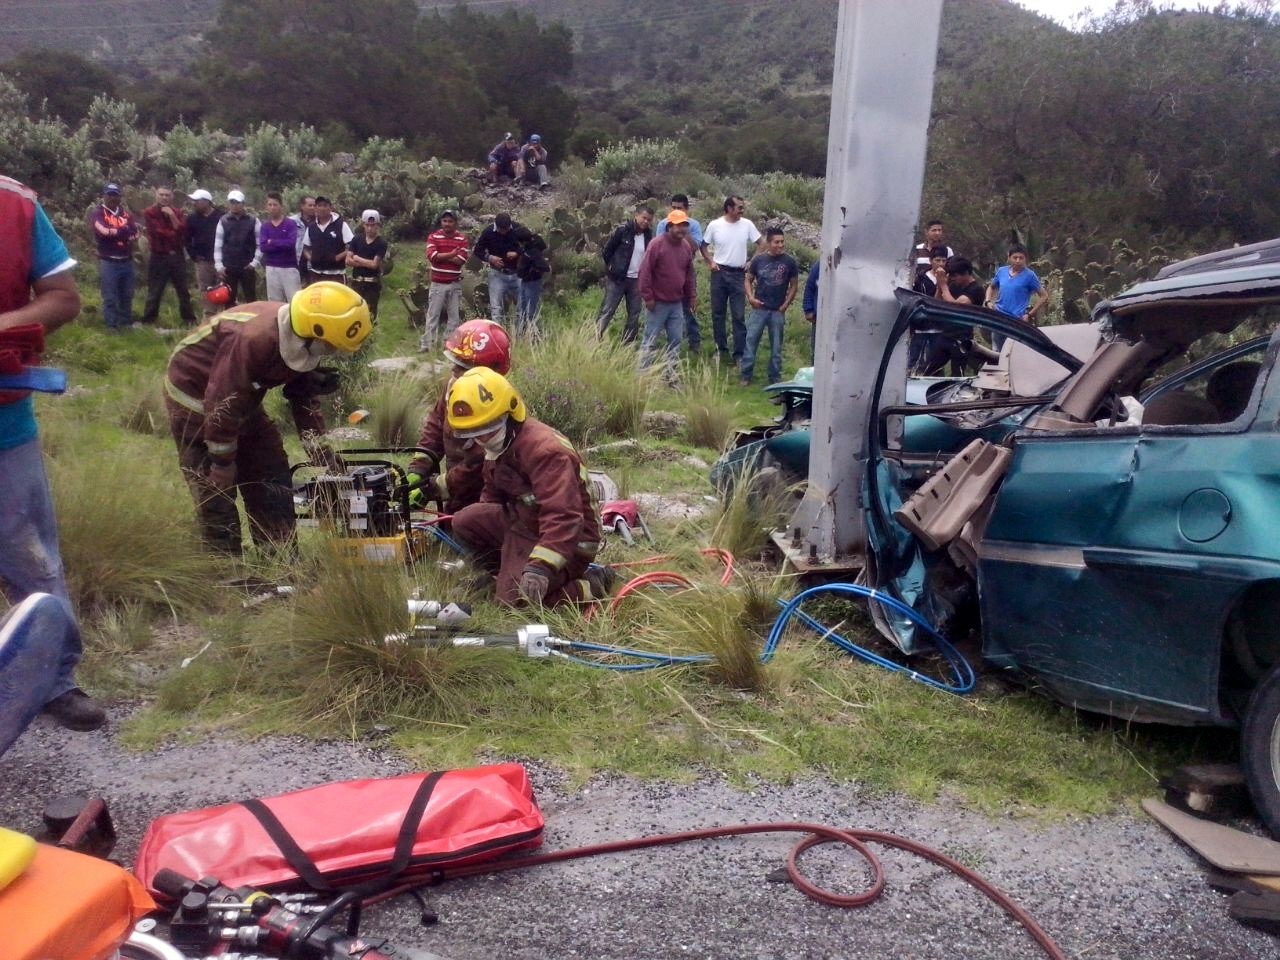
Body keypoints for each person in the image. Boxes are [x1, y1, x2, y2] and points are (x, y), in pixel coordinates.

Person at [0, 174, 105, 732]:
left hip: (4, 423)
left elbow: (63, 297)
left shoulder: (13, 206)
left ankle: (52, 680)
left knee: (32, 559)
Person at [164, 282, 372, 556]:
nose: (332, 352)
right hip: (195, 398)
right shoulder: (255, 340)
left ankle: (280, 557)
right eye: (331, 346)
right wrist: (222, 462)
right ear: (315, 331)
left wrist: (321, 454)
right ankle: (225, 564)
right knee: (215, 488)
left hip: (240, 400)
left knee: (271, 472)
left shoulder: (303, 337)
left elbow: (302, 397)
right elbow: (222, 401)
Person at [447, 367, 604, 608]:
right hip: (526, 522)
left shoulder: (545, 452)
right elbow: (492, 497)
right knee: (465, 521)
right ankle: (501, 576)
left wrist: (540, 567)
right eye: (474, 433)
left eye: (488, 430)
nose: (482, 439)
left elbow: (564, 517)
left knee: (517, 601)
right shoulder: (500, 442)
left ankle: (592, 584)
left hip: (571, 540)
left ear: (509, 414)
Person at [407, 319, 512, 516]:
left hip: (485, 497)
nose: (453, 370)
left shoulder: (497, 407)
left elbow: (478, 462)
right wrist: (418, 469)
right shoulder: (453, 387)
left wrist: (434, 488)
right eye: (455, 361)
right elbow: (435, 426)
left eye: (462, 366)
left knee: (466, 527)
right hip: (457, 493)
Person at [637, 208, 696, 385]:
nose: (681, 229)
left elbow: (689, 274)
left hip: (676, 303)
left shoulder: (686, 246)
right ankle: (642, 377)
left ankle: (671, 377)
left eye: (684, 225)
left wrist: (692, 296)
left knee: (676, 341)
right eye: (678, 225)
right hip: (657, 303)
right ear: (669, 226)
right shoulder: (656, 244)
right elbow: (644, 272)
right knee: (650, 340)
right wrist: (648, 297)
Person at [701, 196, 762, 363]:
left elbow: (761, 243)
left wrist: (751, 262)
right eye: (739, 207)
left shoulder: (747, 224)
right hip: (719, 273)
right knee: (718, 313)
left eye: (742, 207)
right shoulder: (715, 225)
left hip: (738, 274)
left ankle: (739, 354)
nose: (742, 210)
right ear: (729, 208)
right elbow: (703, 246)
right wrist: (710, 261)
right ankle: (720, 350)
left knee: (738, 315)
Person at [741, 227, 798, 386]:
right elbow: (748, 279)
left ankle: (775, 377)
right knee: (750, 342)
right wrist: (751, 298)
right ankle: (746, 375)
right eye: (776, 242)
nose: (780, 245)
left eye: (782, 242)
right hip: (759, 309)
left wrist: (785, 305)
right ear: (768, 242)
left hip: (778, 310)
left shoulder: (789, 262)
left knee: (776, 347)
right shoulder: (759, 260)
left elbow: (794, 285)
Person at [595, 204, 654, 344]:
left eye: (649, 220)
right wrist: (613, 268)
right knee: (608, 310)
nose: (646, 221)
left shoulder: (648, 235)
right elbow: (607, 251)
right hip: (618, 279)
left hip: (636, 280)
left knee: (634, 313)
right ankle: (595, 339)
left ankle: (627, 343)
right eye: (644, 218)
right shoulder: (623, 230)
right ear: (636, 215)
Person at [655, 194, 704, 354]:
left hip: (686, 271)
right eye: (673, 208)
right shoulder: (663, 224)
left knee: (689, 307)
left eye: (680, 208)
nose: (676, 211)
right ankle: (664, 343)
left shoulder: (694, 225)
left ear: (687, 209)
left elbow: (695, 247)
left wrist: (683, 229)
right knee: (664, 307)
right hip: (666, 273)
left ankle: (694, 342)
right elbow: (658, 246)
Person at [141, 186, 196, 325]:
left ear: (171, 197)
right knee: (155, 290)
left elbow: (182, 231)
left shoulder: (177, 212)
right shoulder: (150, 212)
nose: (164, 197)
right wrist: (174, 231)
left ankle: (189, 319)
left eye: (167, 195)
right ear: (156, 196)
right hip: (159, 256)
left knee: (183, 290)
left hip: (177, 255)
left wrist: (172, 216)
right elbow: (158, 232)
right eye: (161, 195)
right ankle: (149, 320)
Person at [91, 182, 139, 331]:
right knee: (110, 296)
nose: (112, 198)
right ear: (104, 196)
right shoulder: (98, 213)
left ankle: (126, 323)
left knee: (127, 294)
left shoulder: (125, 214)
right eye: (110, 195)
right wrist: (123, 232)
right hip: (109, 261)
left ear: (120, 197)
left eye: (115, 195)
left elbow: (136, 233)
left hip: (127, 260)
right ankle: (111, 325)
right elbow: (103, 231)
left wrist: (117, 232)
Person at [421, 209, 469, 350]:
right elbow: (432, 256)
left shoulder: (462, 239)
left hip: (454, 283)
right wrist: (451, 254)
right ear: (441, 222)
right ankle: (428, 344)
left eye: (450, 221)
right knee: (433, 315)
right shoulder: (434, 237)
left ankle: (449, 344)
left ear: (455, 223)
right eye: (444, 221)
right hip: (438, 283)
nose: (447, 224)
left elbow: (461, 260)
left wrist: (442, 256)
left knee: (454, 317)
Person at [985, 243, 1047, 349]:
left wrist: (1029, 314)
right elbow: (991, 287)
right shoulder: (1002, 271)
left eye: (1021, 258)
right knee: (996, 351)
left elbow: (1044, 296)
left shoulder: (1030, 276)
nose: (1018, 261)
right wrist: (988, 301)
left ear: (1025, 259)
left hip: (1017, 321)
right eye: (1015, 257)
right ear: (1009, 257)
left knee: (1013, 351)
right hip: (999, 317)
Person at [472, 213, 522, 325]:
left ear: (510, 225)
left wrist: (517, 253)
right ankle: (497, 332)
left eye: (506, 229)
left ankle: (521, 332)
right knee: (496, 309)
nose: (503, 232)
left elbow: (530, 245)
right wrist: (490, 258)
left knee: (522, 306)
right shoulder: (488, 232)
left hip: (517, 273)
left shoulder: (518, 229)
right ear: (496, 226)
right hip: (497, 274)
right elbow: (478, 250)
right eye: (501, 230)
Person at [214, 189, 261, 306]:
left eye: (237, 202)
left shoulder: (254, 221)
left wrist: (254, 263)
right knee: (229, 300)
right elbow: (218, 245)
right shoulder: (223, 221)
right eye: (232, 202)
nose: (234, 205)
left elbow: (260, 244)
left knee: (251, 298)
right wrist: (219, 266)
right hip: (228, 267)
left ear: (243, 204)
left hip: (247, 266)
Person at [258, 192, 301, 303]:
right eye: (270, 205)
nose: (272, 207)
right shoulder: (265, 226)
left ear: (281, 206)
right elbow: (263, 247)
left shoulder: (290, 224)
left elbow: (290, 244)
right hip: (271, 267)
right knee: (274, 301)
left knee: (294, 300)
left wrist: (272, 241)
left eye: (275, 204)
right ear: (266, 207)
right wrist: (280, 243)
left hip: (289, 267)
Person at [185, 188, 223, 317]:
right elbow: (187, 239)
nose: (194, 203)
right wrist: (194, 256)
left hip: (221, 261)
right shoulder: (192, 218)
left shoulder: (221, 217)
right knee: (205, 289)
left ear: (207, 202)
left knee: (222, 288)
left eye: (197, 201)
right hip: (203, 261)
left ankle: (223, 316)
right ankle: (209, 316)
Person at [347, 209, 388, 320]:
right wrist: (365, 262)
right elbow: (348, 260)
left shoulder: (381, 243)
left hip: (372, 284)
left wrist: (357, 258)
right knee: (354, 313)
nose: (370, 228)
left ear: (377, 226)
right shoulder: (356, 239)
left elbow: (374, 264)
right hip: (357, 282)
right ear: (363, 225)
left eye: (373, 225)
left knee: (370, 314)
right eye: (367, 225)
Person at [303, 196, 353, 287]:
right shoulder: (311, 227)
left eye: (325, 205)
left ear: (330, 207)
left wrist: (338, 257)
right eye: (319, 205)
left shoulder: (340, 224)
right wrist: (311, 258)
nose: (322, 208)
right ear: (316, 208)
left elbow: (352, 245)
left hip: (336, 275)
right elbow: (306, 247)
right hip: (316, 274)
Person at [514, 225, 549, 337]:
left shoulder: (532, 252)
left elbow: (545, 267)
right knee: (522, 310)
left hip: (532, 283)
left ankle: (535, 335)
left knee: (531, 311)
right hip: (525, 281)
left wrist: (532, 270)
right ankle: (521, 334)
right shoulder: (527, 248)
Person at [291, 195, 316, 284]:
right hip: (296, 261)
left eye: (314, 205)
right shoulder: (292, 221)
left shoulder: (319, 221)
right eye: (310, 205)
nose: (312, 208)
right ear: (302, 206)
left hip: (313, 262)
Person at [802, 261, 820, 361]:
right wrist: (808, 309)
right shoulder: (820, 265)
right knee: (817, 350)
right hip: (820, 317)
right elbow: (809, 288)